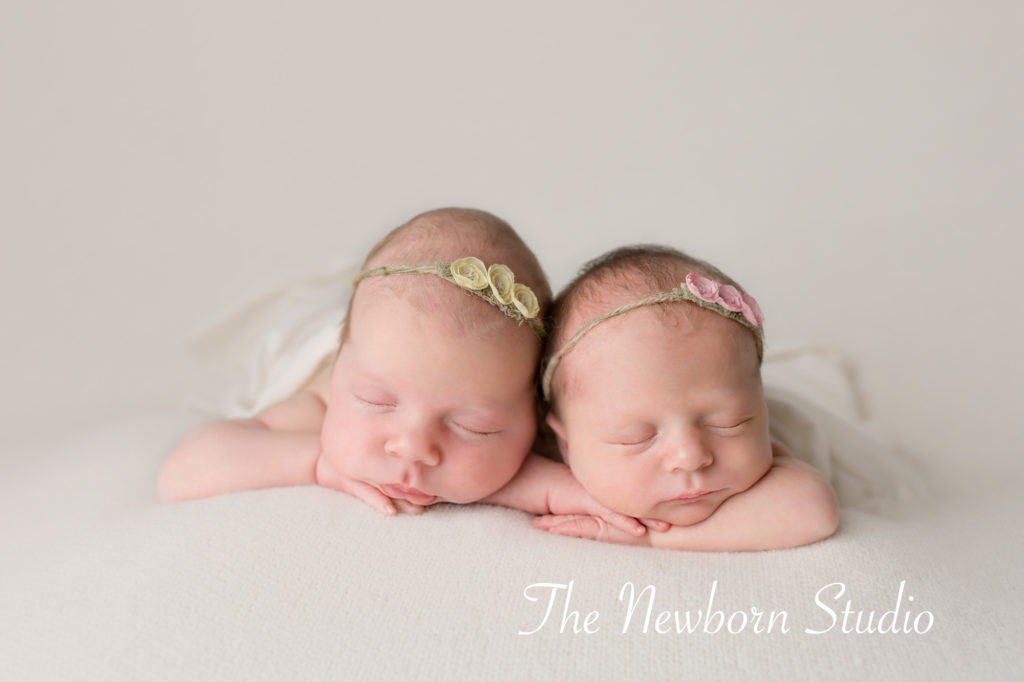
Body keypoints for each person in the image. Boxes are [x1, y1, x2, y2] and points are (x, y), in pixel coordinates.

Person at [158, 208, 647, 537]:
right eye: (377, 403)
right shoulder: (321, 403)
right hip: (310, 337)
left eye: (472, 427)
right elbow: (183, 471)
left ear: (537, 416)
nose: (412, 447)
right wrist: (319, 462)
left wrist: (554, 485)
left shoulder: (513, 390)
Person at [534, 245, 839, 550]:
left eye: (729, 423)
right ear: (565, 443)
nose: (690, 457)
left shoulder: (770, 462)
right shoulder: (544, 450)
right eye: (637, 437)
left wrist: (652, 538)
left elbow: (813, 511)